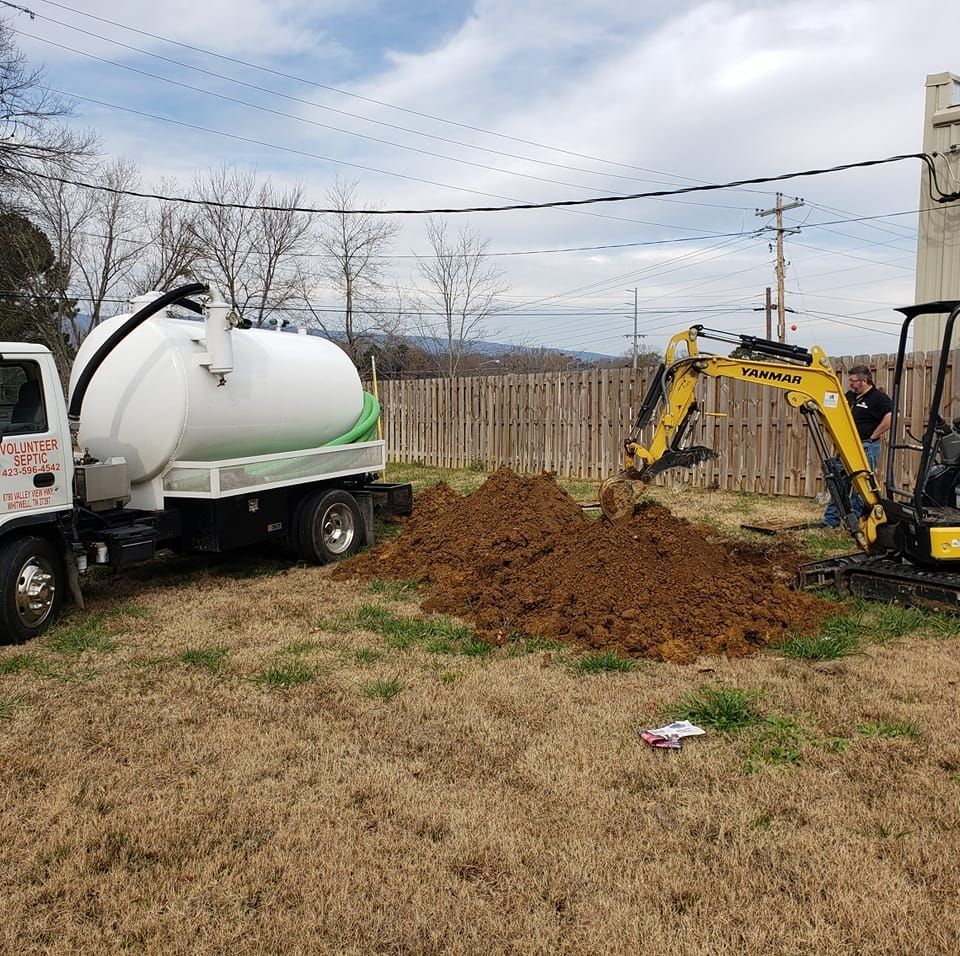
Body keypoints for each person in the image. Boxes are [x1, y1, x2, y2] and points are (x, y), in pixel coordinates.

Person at [821, 364, 893, 528]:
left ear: (864, 381)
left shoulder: (878, 398)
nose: (850, 384)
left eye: (853, 381)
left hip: (865, 447)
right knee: (839, 482)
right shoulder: (851, 396)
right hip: (847, 446)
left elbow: (891, 417)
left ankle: (858, 522)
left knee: (861, 485)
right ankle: (831, 520)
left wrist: (873, 435)